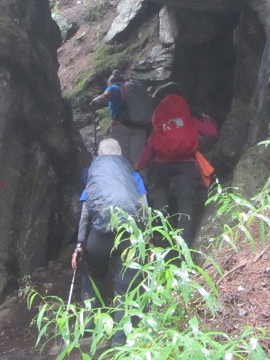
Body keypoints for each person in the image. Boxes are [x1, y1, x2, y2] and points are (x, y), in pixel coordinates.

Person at [73, 138, 148, 345]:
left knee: (93, 275)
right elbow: (144, 209)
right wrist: (145, 237)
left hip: (99, 236)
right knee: (125, 285)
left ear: (99, 155)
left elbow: (85, 213)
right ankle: (120, 339)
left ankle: (88, 328)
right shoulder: (132, 176)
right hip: (127, 236)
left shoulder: (94, 176)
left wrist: (80, 244)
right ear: (120, 154)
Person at [136, 83, 217, 246]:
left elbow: (150, 146)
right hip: (186, 164)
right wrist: (206, 118)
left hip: (162, 165)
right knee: (185, 203)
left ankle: (159, 235)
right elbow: (212, 133)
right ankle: (184, 241)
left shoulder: (160, 119)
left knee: (160, 195)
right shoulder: (188, 115)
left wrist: (139, 166)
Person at [90, 71, 150, 169]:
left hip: (122, 127)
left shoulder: (114, 88)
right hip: (140, 127)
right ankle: (140, 181)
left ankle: (123, 180)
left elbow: (105, 97)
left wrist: (94, 101)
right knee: (137, 161)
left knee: (120, 159)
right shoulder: (134, 90)